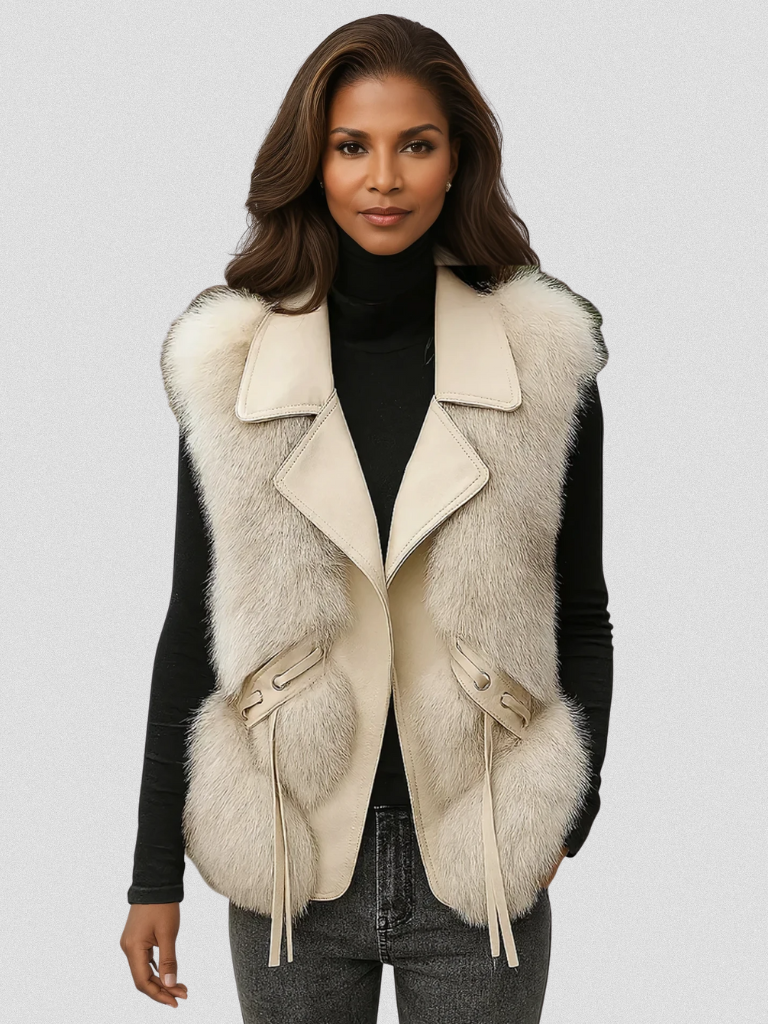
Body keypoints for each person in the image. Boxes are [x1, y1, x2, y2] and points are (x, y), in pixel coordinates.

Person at [120, 14, 613, 1023]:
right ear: (314, 160)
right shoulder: (232, 369)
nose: (383, 178)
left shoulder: (543, 363)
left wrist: (566, 817)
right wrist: (151, 872)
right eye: (352, 146)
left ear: (457, 160)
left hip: (481, 856)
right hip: (288, 857)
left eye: (414, 145)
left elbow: (583, 614)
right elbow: (191, 624)